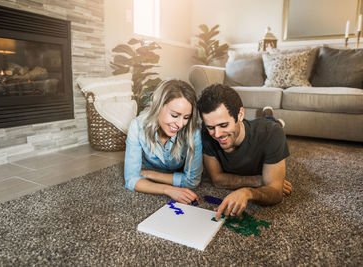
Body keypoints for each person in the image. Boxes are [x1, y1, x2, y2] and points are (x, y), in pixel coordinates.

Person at [197, 83, 293, 220]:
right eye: (211, 127)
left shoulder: (271, 133)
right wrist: (259, 181)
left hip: (266, 126)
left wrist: (248, 193)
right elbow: (217, 180)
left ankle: (269, 114)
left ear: (240, 114)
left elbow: (276, 193)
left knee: (272, 124)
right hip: (251, 126)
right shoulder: (206, 132)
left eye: (223, 125)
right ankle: (268, 115)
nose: (217, 134)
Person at [124, 79, 203, 204]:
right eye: (174, 115)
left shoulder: (193, 131)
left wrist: (151, 175)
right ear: (158, 106)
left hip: (156, 171)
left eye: (186, 117)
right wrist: (168, 190)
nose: (180, 124)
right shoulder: (137, 126)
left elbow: (192, 181)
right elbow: (131, 180)